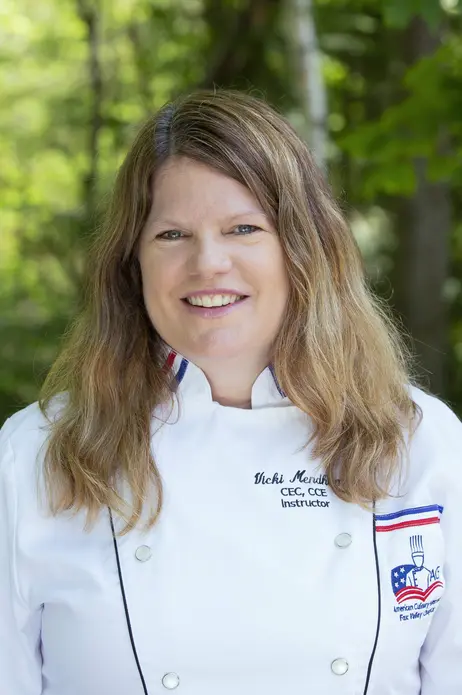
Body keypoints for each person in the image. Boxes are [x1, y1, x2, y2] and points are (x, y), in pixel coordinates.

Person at [0, 88, 461, 695]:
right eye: (172, 235)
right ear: (132, 263)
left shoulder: (420, 442)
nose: (208, 263)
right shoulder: (36, 455)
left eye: (243, 228)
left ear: (303, 249)